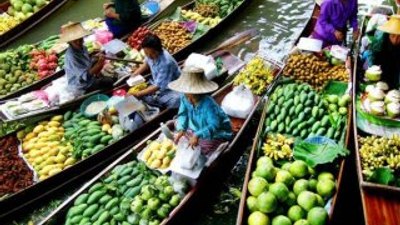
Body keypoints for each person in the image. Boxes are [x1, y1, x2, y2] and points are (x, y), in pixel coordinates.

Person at [169, 67, 233, 156]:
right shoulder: (184, 97)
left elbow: (214, 125)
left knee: (202, 150)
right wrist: (181, 129)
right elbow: (183, 114)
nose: (187, 95)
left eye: (190, 92)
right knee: (177, 123)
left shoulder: (208, 104)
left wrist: (197, 135)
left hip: (217, 132)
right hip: (197, 126)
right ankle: (192, 135)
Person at [61, 22, 114, 94]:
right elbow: (86, 76)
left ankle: (98, 77)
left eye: (80, 39)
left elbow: (87, 62)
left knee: (97, 61)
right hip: (82, 86)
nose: (79, 43)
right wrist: (99, 64)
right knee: (109, 81)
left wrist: (97, 59)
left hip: (86, 74)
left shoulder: (83, 47)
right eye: (75, 41)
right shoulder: (72, 57)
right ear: (69, 42)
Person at [130, 34, 181, 109]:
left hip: (171, 87)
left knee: (176, 101)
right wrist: (135, 74)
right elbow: (147, 63)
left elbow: (157, 86)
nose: (149, 56)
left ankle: (159, 104)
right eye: (146, 53)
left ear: (159, 50)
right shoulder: (150, 55)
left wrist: (138, 94)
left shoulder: (166, 63)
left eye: (152, 53)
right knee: (146, 94)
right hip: (157, 83)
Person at [362, 15, 400, 88]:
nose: (395, 40)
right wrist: (373, 69)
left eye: (399, 37)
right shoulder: (380, 39)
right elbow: (372, 54)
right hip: (381, 60)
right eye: (393, 36)